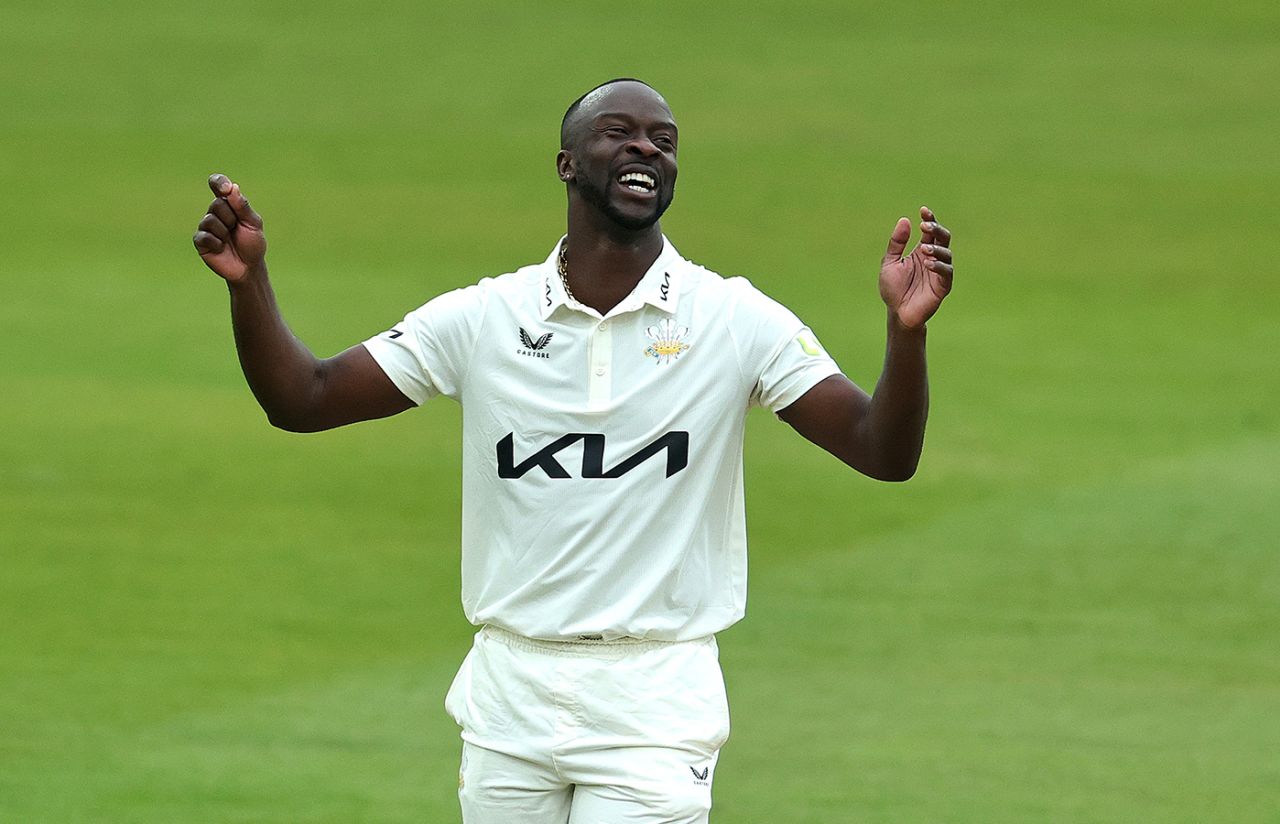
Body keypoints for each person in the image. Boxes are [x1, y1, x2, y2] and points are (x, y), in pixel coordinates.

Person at [192, 78, 953, 824]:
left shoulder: (733, 319)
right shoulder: (486, 317)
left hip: (653, 698)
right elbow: (306, 400)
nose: (644, 148)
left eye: (664, 141)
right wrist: (248, 282)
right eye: (618, 131)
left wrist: (906, 334)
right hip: (510, 691)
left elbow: (880, 450)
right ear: (566, 164)